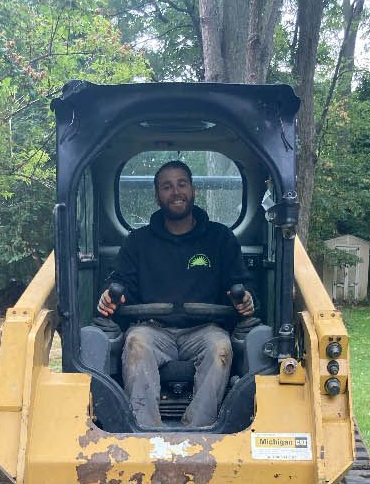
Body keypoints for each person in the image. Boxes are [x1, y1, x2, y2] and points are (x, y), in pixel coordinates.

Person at [97, 161, 254, 429]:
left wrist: (245, 299)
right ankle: (144, 432)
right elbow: (122, 283)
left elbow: (238, 283)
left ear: (193, 190)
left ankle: (200, 431)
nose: (176, 192)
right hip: (153, 329)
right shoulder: (138, 241)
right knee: (136, 343)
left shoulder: (220, 238)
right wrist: (112, 296)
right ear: (157, 196)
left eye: (182, 184)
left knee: (220, 347)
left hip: (205, 329)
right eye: (166, 186)